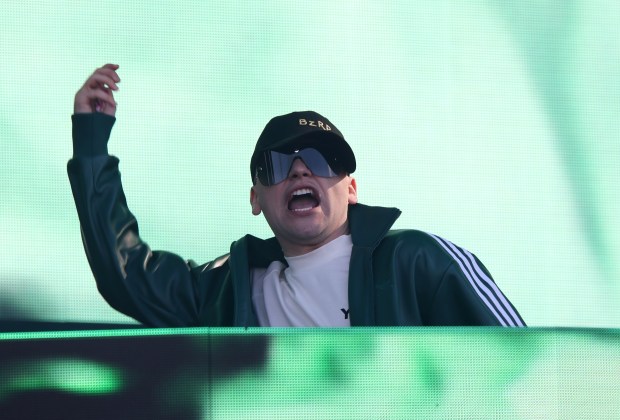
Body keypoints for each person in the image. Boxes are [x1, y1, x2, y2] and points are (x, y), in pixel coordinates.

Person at [68, 64, 525, 327]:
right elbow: (126, 274)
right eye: (279, 165)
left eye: (321, 161)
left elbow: (526, 359)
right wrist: (91, 142)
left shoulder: (419, 261)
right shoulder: (229, 288)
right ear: (255, 199)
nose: (301, 168)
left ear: (352, 189)